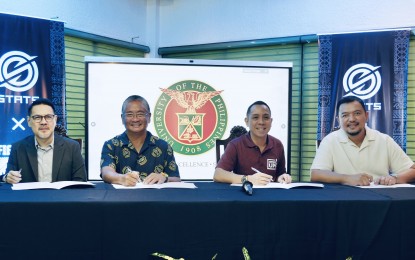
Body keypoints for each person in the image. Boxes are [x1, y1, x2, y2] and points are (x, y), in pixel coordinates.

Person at [311, 95, 415, 186]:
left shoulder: (384, 140)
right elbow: (316, 174)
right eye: (345, 115)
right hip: (343, 199)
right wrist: (347, 178)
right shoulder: (329, 140)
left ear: (366, 116)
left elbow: (412, 170)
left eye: (357, 113)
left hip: (380, 198)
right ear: (339, 120)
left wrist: (394, 178)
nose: (351, 119)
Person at [100, 95, 180, 186]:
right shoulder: (111, 145)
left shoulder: (163, 146)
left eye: (140, 114)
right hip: (122, 198)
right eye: (130, 114)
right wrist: (121, 178)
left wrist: (165, 178)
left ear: (149, 117)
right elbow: (106, 173)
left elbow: (176, 178)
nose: (135, 119)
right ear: (122, 118)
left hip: (155, 198)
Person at [2, 98, 87, 183]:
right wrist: (7, 178)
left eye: (48, 117)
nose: (43, 122)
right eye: (37, 117)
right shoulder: (18, 148)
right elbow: (9, 176)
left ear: (55, 119)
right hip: (29, 196)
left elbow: (80, 181)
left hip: (62, 196)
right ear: (29, 121)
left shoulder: (72, 147)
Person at [213, 101, 292, 185]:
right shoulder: (235, 145)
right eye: (255, 117)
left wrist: (282, 178)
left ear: (271, 121)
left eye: (266, 117)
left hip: (270, 196)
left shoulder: (277, 145)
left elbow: (280, 174)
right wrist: (247, 179)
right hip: (244, 195)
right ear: (247, 121)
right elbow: (218, 174)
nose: (261, 122)